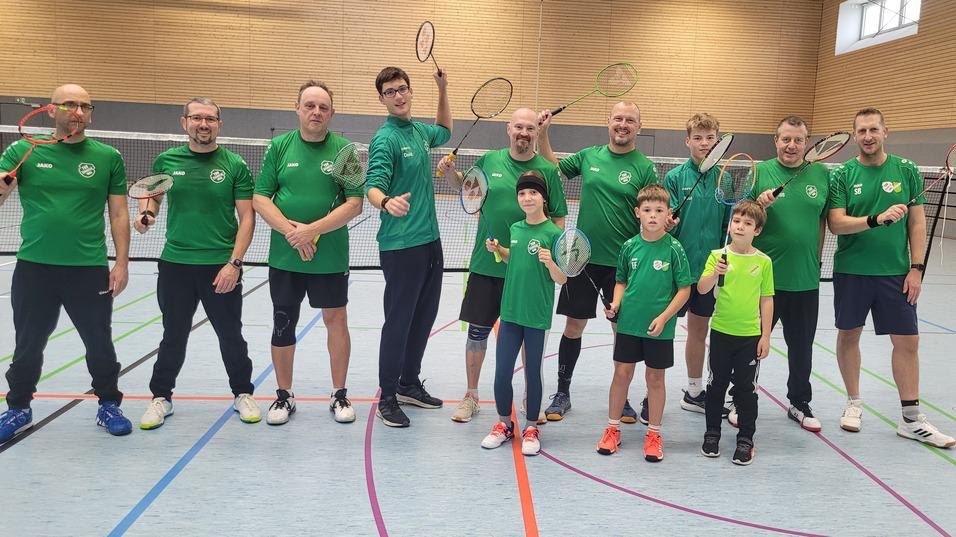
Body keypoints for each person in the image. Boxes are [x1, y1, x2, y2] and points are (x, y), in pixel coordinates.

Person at [0, 84, 133, 441]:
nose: (78, 112)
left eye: (85, 106)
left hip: (88, 268)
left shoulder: (108, 156)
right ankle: (18, 408)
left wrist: (121, 263)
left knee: (99, 342)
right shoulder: (24, 150)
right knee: (28, 344)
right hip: (35, 267)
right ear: (50, 110)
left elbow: (119, 213)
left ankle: (109, 404)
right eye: (70, 104)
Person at [827, 108, 954, 448]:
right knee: (848, 335)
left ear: (886, 132)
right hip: (852, 271)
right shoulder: (842, 175)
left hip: (896, 274)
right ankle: (853, 403)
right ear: (855, 136)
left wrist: (917, 268)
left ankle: (911, 418)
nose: (867, 136)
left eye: (873, 129)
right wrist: (876, 219)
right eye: (861, 131)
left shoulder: (907, 169)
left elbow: (917, 222)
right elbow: (836, 223)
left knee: (908, 342)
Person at [135, 97, 259, 429]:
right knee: (173, 335)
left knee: (230, 334)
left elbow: (247, 218)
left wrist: (234, 263)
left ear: (219, 124)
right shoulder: (167, 160)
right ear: (184, 122)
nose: (203, 124)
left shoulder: (235, 165)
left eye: (210, 119)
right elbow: (153, 196)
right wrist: (146, 214)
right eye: (197, 118)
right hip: (175, 264)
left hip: (220, 266)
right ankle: (161, 397)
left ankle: (243, 393)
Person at [436, 107, 566, 424]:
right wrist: (451, 173)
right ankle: (471, 396)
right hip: (487, 266)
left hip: (528, 273)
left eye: (530, 128)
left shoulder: (547, 170)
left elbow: (559, 218)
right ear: (509, 129)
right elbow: (468, 190)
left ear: (537, 132)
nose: (524, 133)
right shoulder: (490, 161)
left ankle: (529, 398)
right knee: (477, 333)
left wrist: (552, 256)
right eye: (519, 127)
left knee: (528, 340)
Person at [537, 101, 659, 423]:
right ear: (608, 121)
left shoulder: (645, 168)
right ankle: (562, 393)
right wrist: (543, 133)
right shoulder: (589, 156)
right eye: (618, 118)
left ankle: (623, 398)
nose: (623, 124)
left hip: (624, 263)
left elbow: (653, 208)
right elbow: (552, 168)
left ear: (638, 127)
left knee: (622, 331)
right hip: (582, 258)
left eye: (630, 120)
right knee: (573, 326)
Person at [252, 81, 362, 425]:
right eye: (310, 105)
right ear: (297, 108)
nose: (316, 112)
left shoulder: (345, 151)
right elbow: (260, 197)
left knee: (336, 320)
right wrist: (294, 234)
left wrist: (312, 230)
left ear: (332, 113)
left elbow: (355, 203)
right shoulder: (279, 147)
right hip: (286, 255)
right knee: (283, 321)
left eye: (323, 107)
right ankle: (284, 395)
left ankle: (339, 394)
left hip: (330, 256)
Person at [366, 66, 452, 428]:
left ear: (410, 91)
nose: (398, 96)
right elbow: (372, 185)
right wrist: (386, 202)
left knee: (424, 317)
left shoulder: (418, 131)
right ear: (382, 99)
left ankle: (408, 383)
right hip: (402, 246)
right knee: (399, 322)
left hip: (430, 241)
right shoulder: (385, 139)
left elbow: (445, 130)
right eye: (390, 92)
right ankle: (387, 396)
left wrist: (442, 89)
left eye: (402, 89)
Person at [597, 184, 691, 462]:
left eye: (659, 210)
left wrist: (664, 318)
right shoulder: (629, 247)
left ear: (668, 214)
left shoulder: (674, 249)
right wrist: (616, 304)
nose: (653, 215)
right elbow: (621, 281)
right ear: (637, 212)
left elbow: (684, 289)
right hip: (629, 323)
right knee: (622, 374)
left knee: (655, 378)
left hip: (659, 327)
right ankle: (612, 429)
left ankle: (654, 434)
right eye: (647, 210)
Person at [748, 116, 828, 432]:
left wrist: (816, 260)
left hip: (804, 279)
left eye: (798, 140)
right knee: (751, 343)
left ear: (806, 143)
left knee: (801, 347)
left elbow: (822, 221)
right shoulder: (760, 172)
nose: (791, 145)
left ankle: (799, 402)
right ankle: (741, 397)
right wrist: (759, 205)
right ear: (776, 141)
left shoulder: (820, 173)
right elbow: (741, 220)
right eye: (786, 139)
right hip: (762, 279)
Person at [480, 171, 565, 456]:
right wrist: (499, 249)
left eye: (533, 193)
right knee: (502, 372)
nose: (527, 198)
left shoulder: (554, 233)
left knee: (532, 372)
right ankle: (504, 425)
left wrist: (551, 263)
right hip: (510, 312)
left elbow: (562, 278)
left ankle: (531, 427)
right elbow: (513, 258)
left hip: (536, 315)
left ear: (543, 198)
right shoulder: (516, 228)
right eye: (522, 193)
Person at [698, 200, 773, 466]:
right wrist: (714, 273)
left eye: (747, 223)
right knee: (716, 385)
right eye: (736, 221)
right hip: (721, 332)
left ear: (757, 230)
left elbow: (767, 299)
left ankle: (746, 439)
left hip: (749, 336)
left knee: (745, 389)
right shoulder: (717, 256)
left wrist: (765, 336)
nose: (740, 226)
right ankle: (712, 434)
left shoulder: (763, 262)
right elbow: (702, 289)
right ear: (730, 225)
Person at [663, 113, 728, 417]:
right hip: (676, 270)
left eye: (710, 137)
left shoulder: (724, 179)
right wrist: (668, 224)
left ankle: (694, 391)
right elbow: (664, 224)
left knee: (699, 331)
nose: (704, 143)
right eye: (698, 138)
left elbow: (727, 225)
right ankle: (653, 393)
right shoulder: (675, 178)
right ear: (687, 141)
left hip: (707, 272)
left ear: (717, 141)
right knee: (662, 330)